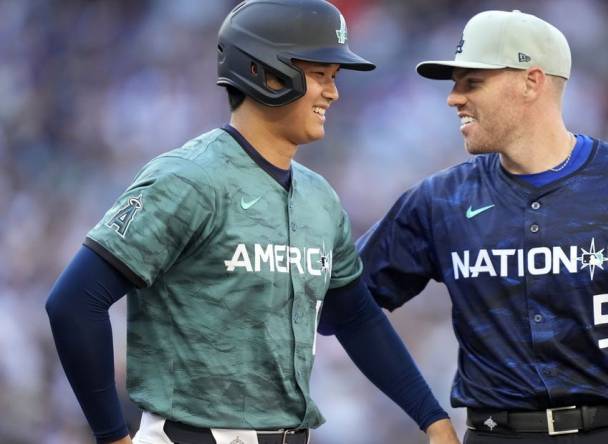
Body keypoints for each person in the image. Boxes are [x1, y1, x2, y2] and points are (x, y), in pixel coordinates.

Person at [45, 1, 460, 443]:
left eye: (333, 78)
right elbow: (74, 302)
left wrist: (431, 419)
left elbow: (355, 316)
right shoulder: (189, 178)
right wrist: (113, 435)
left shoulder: (319, 197)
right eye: (320, 74)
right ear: (267, 72)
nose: (333, 92)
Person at [358, 9, 608, 444]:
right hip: (496, 434)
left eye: (472, 83)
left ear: (532, 81)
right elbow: (344, 302)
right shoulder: (441, 200)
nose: (454, 98)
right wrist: (429, 415)